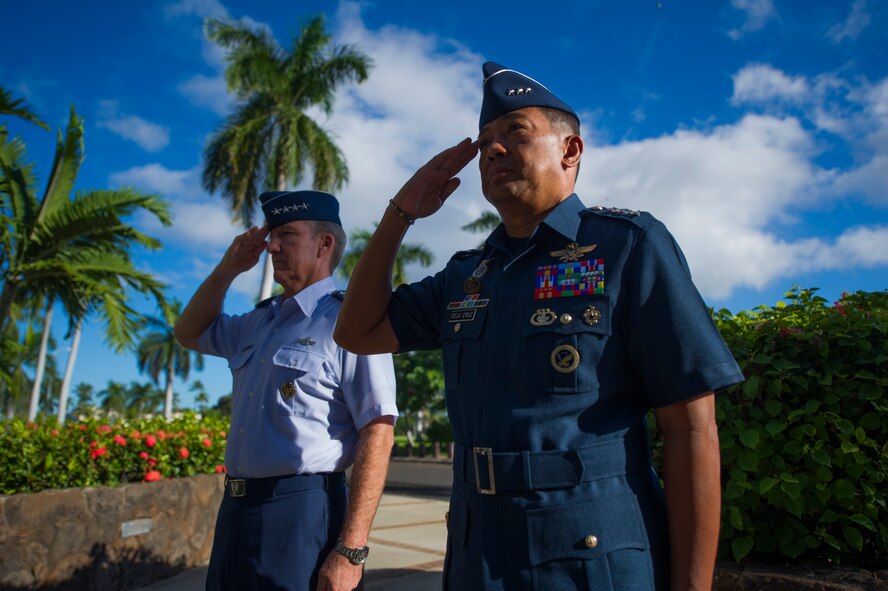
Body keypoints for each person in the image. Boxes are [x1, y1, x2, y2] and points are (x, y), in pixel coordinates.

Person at [333, 62, 744, 590]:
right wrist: (400, 213)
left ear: (570, 151)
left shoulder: (627, 247)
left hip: (587, 555)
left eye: (515, 133)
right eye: (484, 143)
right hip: (476, 554)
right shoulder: (467, 275)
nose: (493, 151)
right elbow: (356, 333)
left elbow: (691, 428)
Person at [174, 190, 398, 591]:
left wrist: (351, 550)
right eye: (272, 236)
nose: (272, 246)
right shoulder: (258, 322)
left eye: (287, 235)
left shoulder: (349, 321)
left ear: (324, 244)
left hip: (302, 511)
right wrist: (227, 270)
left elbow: (378, 429)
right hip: (236, 509)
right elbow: (188, 332)